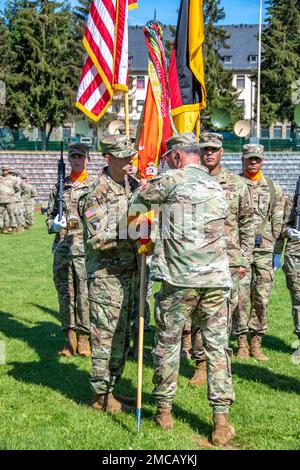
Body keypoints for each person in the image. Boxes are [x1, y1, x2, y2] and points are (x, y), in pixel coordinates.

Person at [130, 132, 235, 446]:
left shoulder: (171, 180)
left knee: (168, 344)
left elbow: (137, 203)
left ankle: (164, 411)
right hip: (216, 281)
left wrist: (143, 234)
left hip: (180, 281)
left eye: (167, 158)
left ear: (176, 157)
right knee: (217, 350)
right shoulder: (217, 185)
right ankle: (220, 421)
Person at [188, 132, 254, 386]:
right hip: (198, 258)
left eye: (214, 149)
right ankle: (201, 365)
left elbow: (247, 223)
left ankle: (218, 363)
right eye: (205, 149)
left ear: (222, 152)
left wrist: (245, 258)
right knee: (198, 312)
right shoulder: (191, 182)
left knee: (223, 315)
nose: (209, 153)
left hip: (229, 260)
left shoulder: (237, 184)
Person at [79, 135, 139, 413]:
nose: (130, 160)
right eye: (124, 156)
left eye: (131, 155)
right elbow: (97, 239)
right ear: (108, 159)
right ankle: (100, 395)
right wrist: (131, 231)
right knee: (105, 336)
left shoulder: (133, 186)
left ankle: (112, 389)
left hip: (131, 273)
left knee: (123, 335)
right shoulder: (97, 193)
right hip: (106, 276)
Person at [234, 144, 285, 361]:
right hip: (240, 251)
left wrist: (276, 251)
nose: (253, 162)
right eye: (249, 159)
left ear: (262, 161)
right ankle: (242, 342)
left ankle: (257, 341)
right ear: (242, 159)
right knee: (240, 297)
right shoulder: (234, 185)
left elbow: (278, 222)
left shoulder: (274, 188)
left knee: (261, 298)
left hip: (264, 251)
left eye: (256, 159)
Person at [46, 143, 92, 357]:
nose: (76, 160)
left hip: (85, 250)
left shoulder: (94, 186)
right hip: (63, 249)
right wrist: (53, 224)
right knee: (65, 295)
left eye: (80, 157)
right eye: (73, 156)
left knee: (84, 294)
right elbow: (49, 216)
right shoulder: (59, 186)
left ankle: (84, 339)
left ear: (87, 159)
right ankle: (69, 338)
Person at [276, 195, 300, 364]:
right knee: (298, 297)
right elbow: (282, 226)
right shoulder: (294, 201)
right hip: (296, 254)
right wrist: (289, 231)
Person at [0, 165, 20, 234]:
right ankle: (2, 228)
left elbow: (17, 188)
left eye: (6, 170)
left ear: (8, 170)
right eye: (3, 170)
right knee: (0, 215)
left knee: (11, 214)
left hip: (10, 199)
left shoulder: (13, 179)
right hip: (1, 200)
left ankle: (14, 228)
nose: (4, 171)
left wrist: (11, 193)